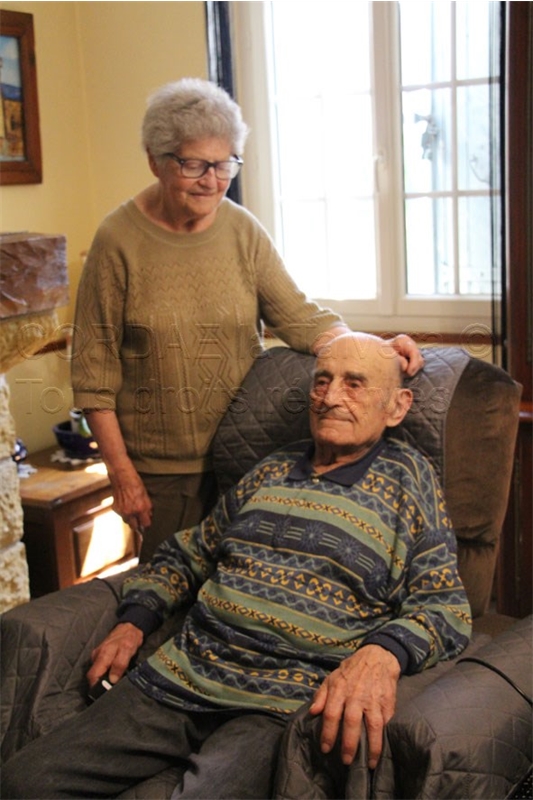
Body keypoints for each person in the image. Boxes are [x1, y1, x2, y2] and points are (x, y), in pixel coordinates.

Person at [3, 332, 471, 800]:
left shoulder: (409, 480)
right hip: (185, 671)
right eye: (322, 381)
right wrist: (134, 621)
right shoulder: (271, 469)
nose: (329, 397)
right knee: (21, 783)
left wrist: (382, 655)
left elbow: (444, 607)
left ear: (397, 407)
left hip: (279, 703)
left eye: (354, 384)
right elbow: (189, 554)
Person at [70, 77, 423, 561]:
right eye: (194, 164)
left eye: (225, 164)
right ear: (155, 160)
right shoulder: (117, 241)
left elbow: (300, 316)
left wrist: (375, 349)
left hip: (249, 458)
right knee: (169, 587)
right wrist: (122, 475)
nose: (212, 180)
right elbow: (93, 375)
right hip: (162, 474)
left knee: (248, 584)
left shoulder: (241, 230)